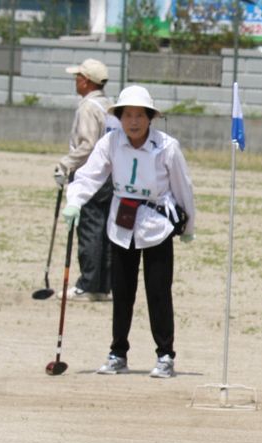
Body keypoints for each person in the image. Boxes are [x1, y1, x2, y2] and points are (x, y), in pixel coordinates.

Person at [63, 85, 196, 379]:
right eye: (127, 115)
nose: (133, 122)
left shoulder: (167, 147)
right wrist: (74, 202)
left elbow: (183, 187)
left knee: (158, 292)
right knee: (122, 293)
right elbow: (90, 174)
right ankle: (117, 353)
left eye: (140, 115)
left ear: (150, 118)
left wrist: (189, 226)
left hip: (156, 224)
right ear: (120, 117)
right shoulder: (110, 142)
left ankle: (165, 355)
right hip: (122, 224)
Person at [56, 58, 116, 302]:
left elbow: (88, 145)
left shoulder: (87, 108)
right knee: (104, 231)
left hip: (91, 175)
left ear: (87, 81)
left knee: (90, 229)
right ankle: (103, 285)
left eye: (78, 77)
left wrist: (65, 164)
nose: (75, 81)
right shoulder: (108, 106)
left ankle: (88, 284)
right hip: (110, 176)